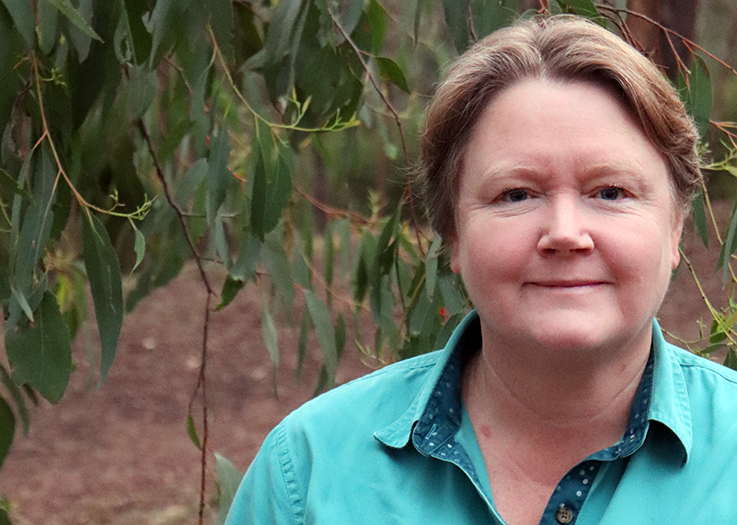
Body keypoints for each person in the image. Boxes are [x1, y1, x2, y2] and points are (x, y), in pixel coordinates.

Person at [226, 15, 737, 524]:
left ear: (675, 228)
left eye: (610, 192)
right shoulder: (308, 475)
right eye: (516, 194)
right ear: (452, 233)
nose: (564, 233)